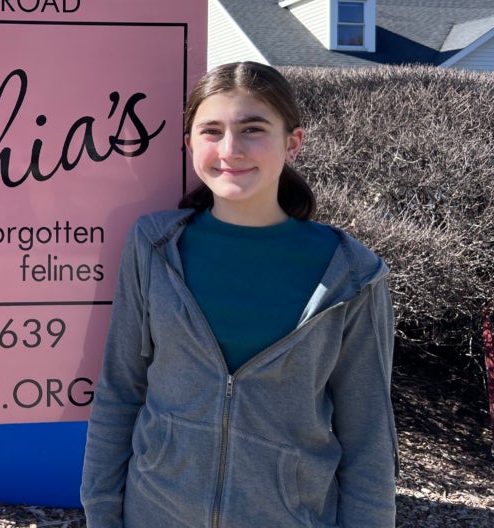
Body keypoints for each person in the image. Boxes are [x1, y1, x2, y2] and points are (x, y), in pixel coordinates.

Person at [81, 62, 397, 527]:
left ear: (292, 143)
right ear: (190, 144)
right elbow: (120, 390)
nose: (230, 149)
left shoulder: (352, 273)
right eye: (211, 130)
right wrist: (102, 515)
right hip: (155, 513)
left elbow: (368, 433)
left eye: (253, 129)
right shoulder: (153, 246)